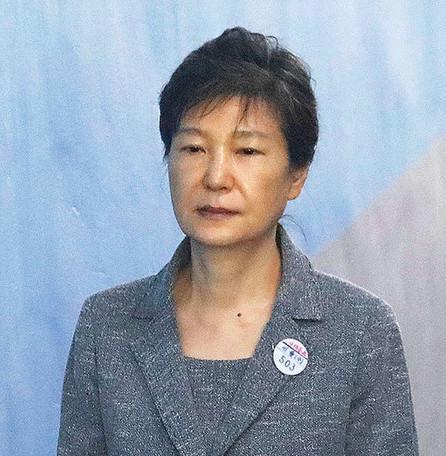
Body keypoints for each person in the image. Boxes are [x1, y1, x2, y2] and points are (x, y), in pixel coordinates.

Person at [57, 27, 419, 455]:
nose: (215, 178)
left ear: (296, 175)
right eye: (194, 149)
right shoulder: (106, 327)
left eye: (246, 151)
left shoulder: (359, 331)